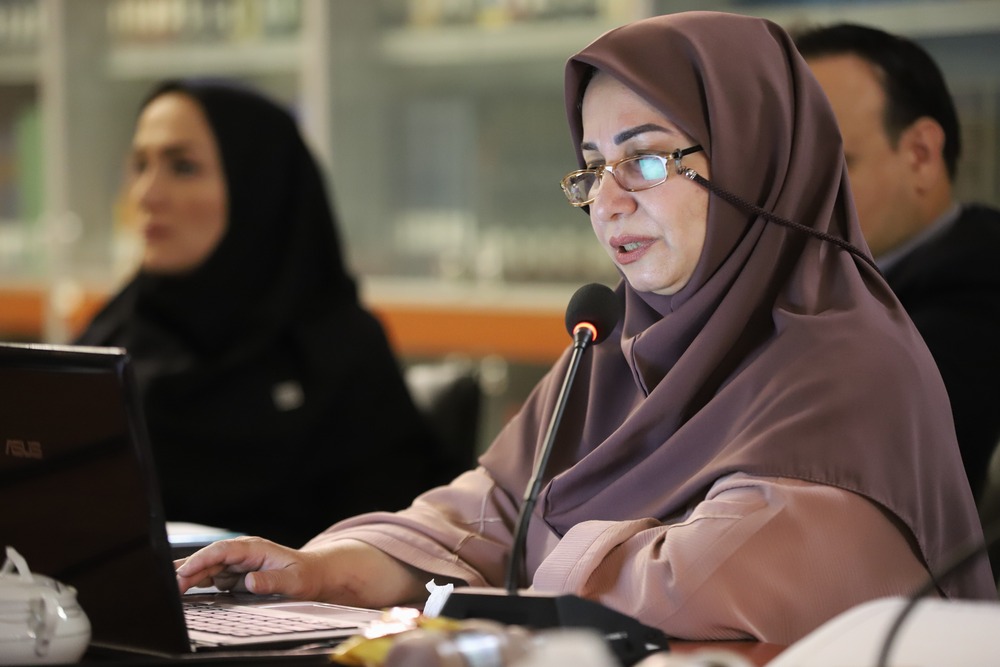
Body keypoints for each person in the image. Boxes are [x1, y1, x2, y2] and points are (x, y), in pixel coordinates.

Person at [175, 13, 997, 645]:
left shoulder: (848, 358)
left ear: (757, 160)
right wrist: (324, 569)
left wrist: (506, 570)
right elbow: (488, 511)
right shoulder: (613, 348)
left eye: (646, 159)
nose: (607, 201)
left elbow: (707, 576)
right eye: (593, 167)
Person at [75, 79, 445, 548]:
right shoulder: (111, 337)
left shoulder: (335, 351)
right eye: (140, 165)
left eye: (182, 167)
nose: (146, 194)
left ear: (259, 187)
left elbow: (390, 548)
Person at [794, 23, 1000, 502]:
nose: (796, 198)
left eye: (829, 167)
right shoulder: (829, 287)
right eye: (784, 171)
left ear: (921, 155)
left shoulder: (975, 296)